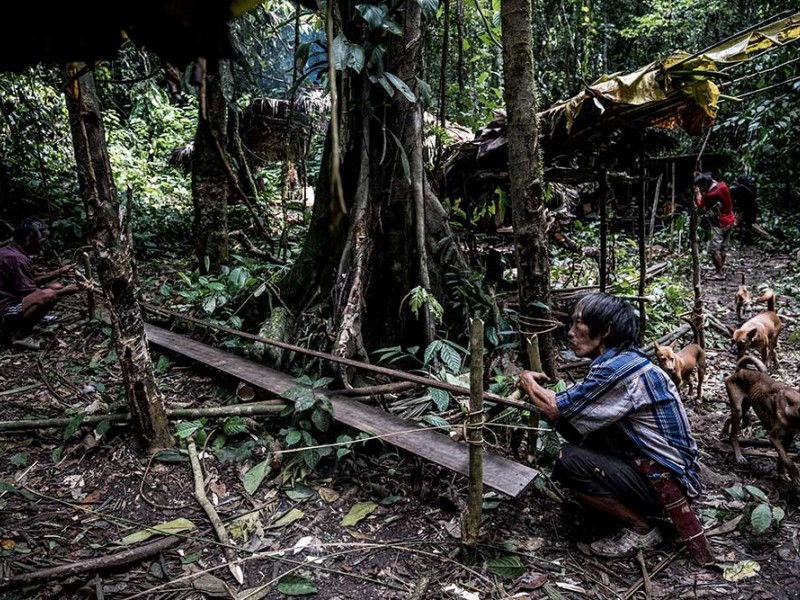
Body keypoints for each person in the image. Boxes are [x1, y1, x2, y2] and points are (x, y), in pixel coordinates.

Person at [519, 293, 708, 560]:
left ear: (606, 330)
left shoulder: (617, 370)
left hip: (669, 481)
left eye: (578, 324)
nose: (570, 333)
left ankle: (641, 528)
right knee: (579, 434)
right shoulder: (627, 361)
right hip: (671, 472)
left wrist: (527, 381)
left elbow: (553, 408)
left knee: (568, 461)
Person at [0, 217, 81, 349]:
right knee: (49, 295)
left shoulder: (12, 251)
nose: (43, 244)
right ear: (28, 239)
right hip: (5, 311)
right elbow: (31, 292)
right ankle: (17, 336)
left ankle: (25, 325)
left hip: (11, 300)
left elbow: (32, 279)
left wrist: (59, 272)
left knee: (55, 287)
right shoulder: (16, 259)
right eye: (41, 240)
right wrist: (67, 291)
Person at [694, 172, 735, 280]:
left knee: (714, 249)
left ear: (706, 185)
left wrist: (698, 193)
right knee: (723, 247)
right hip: (730, 219)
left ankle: (719, 273)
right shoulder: (722, 185)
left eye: (702, 187)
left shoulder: (712, 194)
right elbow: (712, 181)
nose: (701, 189)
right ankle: (720, 269)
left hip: (719, 222)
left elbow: (700, 205)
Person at [730, 175, 758, 244]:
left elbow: (733, 196)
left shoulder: (739, 188)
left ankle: (738, 236)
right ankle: (747, 237)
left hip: (742, 209)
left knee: (739, 223)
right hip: (752, 208)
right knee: (749, 223)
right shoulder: (752, 187)